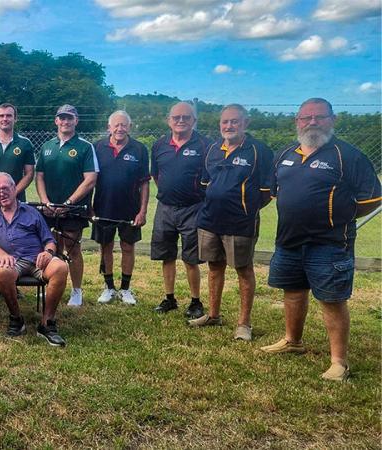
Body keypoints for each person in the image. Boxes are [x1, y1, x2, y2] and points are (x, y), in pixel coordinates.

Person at [261, 98, 380, 381]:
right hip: (289, 239)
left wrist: (340, 215)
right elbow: (277, 192)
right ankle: (293, 341)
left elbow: (372, 198)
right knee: (292, 291)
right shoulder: (285, 153)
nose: (312, 122)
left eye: (319, 117)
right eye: (306, 118)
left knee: (331, 299)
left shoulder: (347, 155)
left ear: (333, 120)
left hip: (329, 243)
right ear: (297, 122)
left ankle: (339, 361)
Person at [188, 104, 273, 341]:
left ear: (245, 123)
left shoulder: (258, 151)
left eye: (234, 121)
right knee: (214, 267)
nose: (229, 126)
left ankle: (244, 323)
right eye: (225, 122)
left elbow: (267, 192)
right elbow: (206, 184)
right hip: (210, 219)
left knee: (243, 270)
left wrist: (246, 208)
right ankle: (213, 315)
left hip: (240, 223)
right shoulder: (213, 149)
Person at [0, 172, 70, 346]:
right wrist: (2, 255)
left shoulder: (31, 212)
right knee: (2, 271)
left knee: (60, 267)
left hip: (37, 259)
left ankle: (47, 323)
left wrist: (48, 253)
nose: (1, 193)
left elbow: (49, 240)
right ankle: (16, 319)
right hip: (11, 261)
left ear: (14, 189)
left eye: (5, 188)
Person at [150, 101, 210, 318]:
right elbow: (156, 175)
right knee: (166, 256)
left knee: (191, 258)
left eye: (186, 117)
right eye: (176, 117)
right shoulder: (159, 145)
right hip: (165, 208)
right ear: (169, 120)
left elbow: (210, 177)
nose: (181, 121)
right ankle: (169, 298)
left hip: (193, 209)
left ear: (194, 120)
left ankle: (195, 301)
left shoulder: (205, 145)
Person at [35, 104, 98, 307]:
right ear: (56, 121)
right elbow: (39, 176)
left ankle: (76, 291)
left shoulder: (85, 147)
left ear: (76, 121)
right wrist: (45, 201)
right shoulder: (47, 147)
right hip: (49, 210)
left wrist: (69, 202)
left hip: (73, 210)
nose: (65, 121)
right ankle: (52, 287)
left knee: (73, 250)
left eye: (69, 118)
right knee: (51, 249)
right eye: (62, 118)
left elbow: (90, 179)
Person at [91, 110, 150, 306]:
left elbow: (144, 183)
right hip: (103, 207)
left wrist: (142, 211)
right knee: (105, 246)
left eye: (123, 125)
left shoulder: (139, 149)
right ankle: (108, 287)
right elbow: (90, 180)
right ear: (109, 127)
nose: (119, 128)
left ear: (129, 127)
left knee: (127, 247)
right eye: (115, 125)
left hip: (130, 209)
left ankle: (125, 289)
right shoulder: (97, 147)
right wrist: (90, 208)